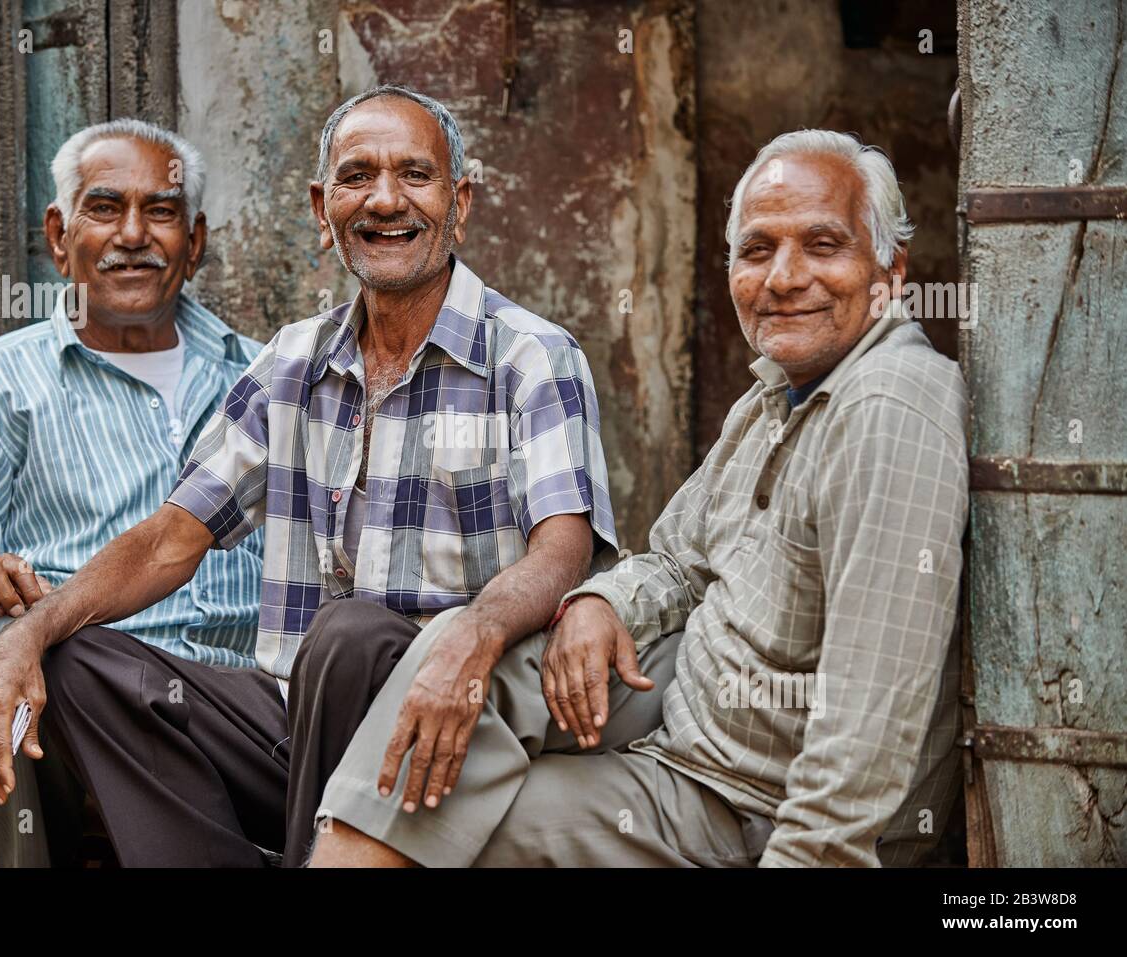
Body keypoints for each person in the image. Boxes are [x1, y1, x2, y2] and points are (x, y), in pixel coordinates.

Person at [0, 86, 616, 867]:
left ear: (459, 201)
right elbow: (173, 537)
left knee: (350, 632)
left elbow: (564, 549)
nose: (384, 199)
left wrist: (475, 630)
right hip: (293, 723)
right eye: (356, 176)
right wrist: (28, 633)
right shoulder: (293, 361)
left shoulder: (531, 358)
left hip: (441, 723)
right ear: (321, 204)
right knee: (78, 664)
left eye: (415, 174)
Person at [309, 129, 968, 868]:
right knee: (461, 648)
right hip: (684, 727)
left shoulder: (890, 406)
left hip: (756, 803)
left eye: (822, 245)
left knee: (469, 831)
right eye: (757, 251)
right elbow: (677, 559)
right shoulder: (775, 396)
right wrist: (605, 604)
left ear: (893, 272)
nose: (783, 278)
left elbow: (866, 728)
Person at [0, 118, 264, 866]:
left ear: (197, 238)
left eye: (160, 211)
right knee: (5, 641)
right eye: (104, 207)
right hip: (78, 712)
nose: (132, 235)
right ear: (58, 236)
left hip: (240, 708)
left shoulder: (270, 378)